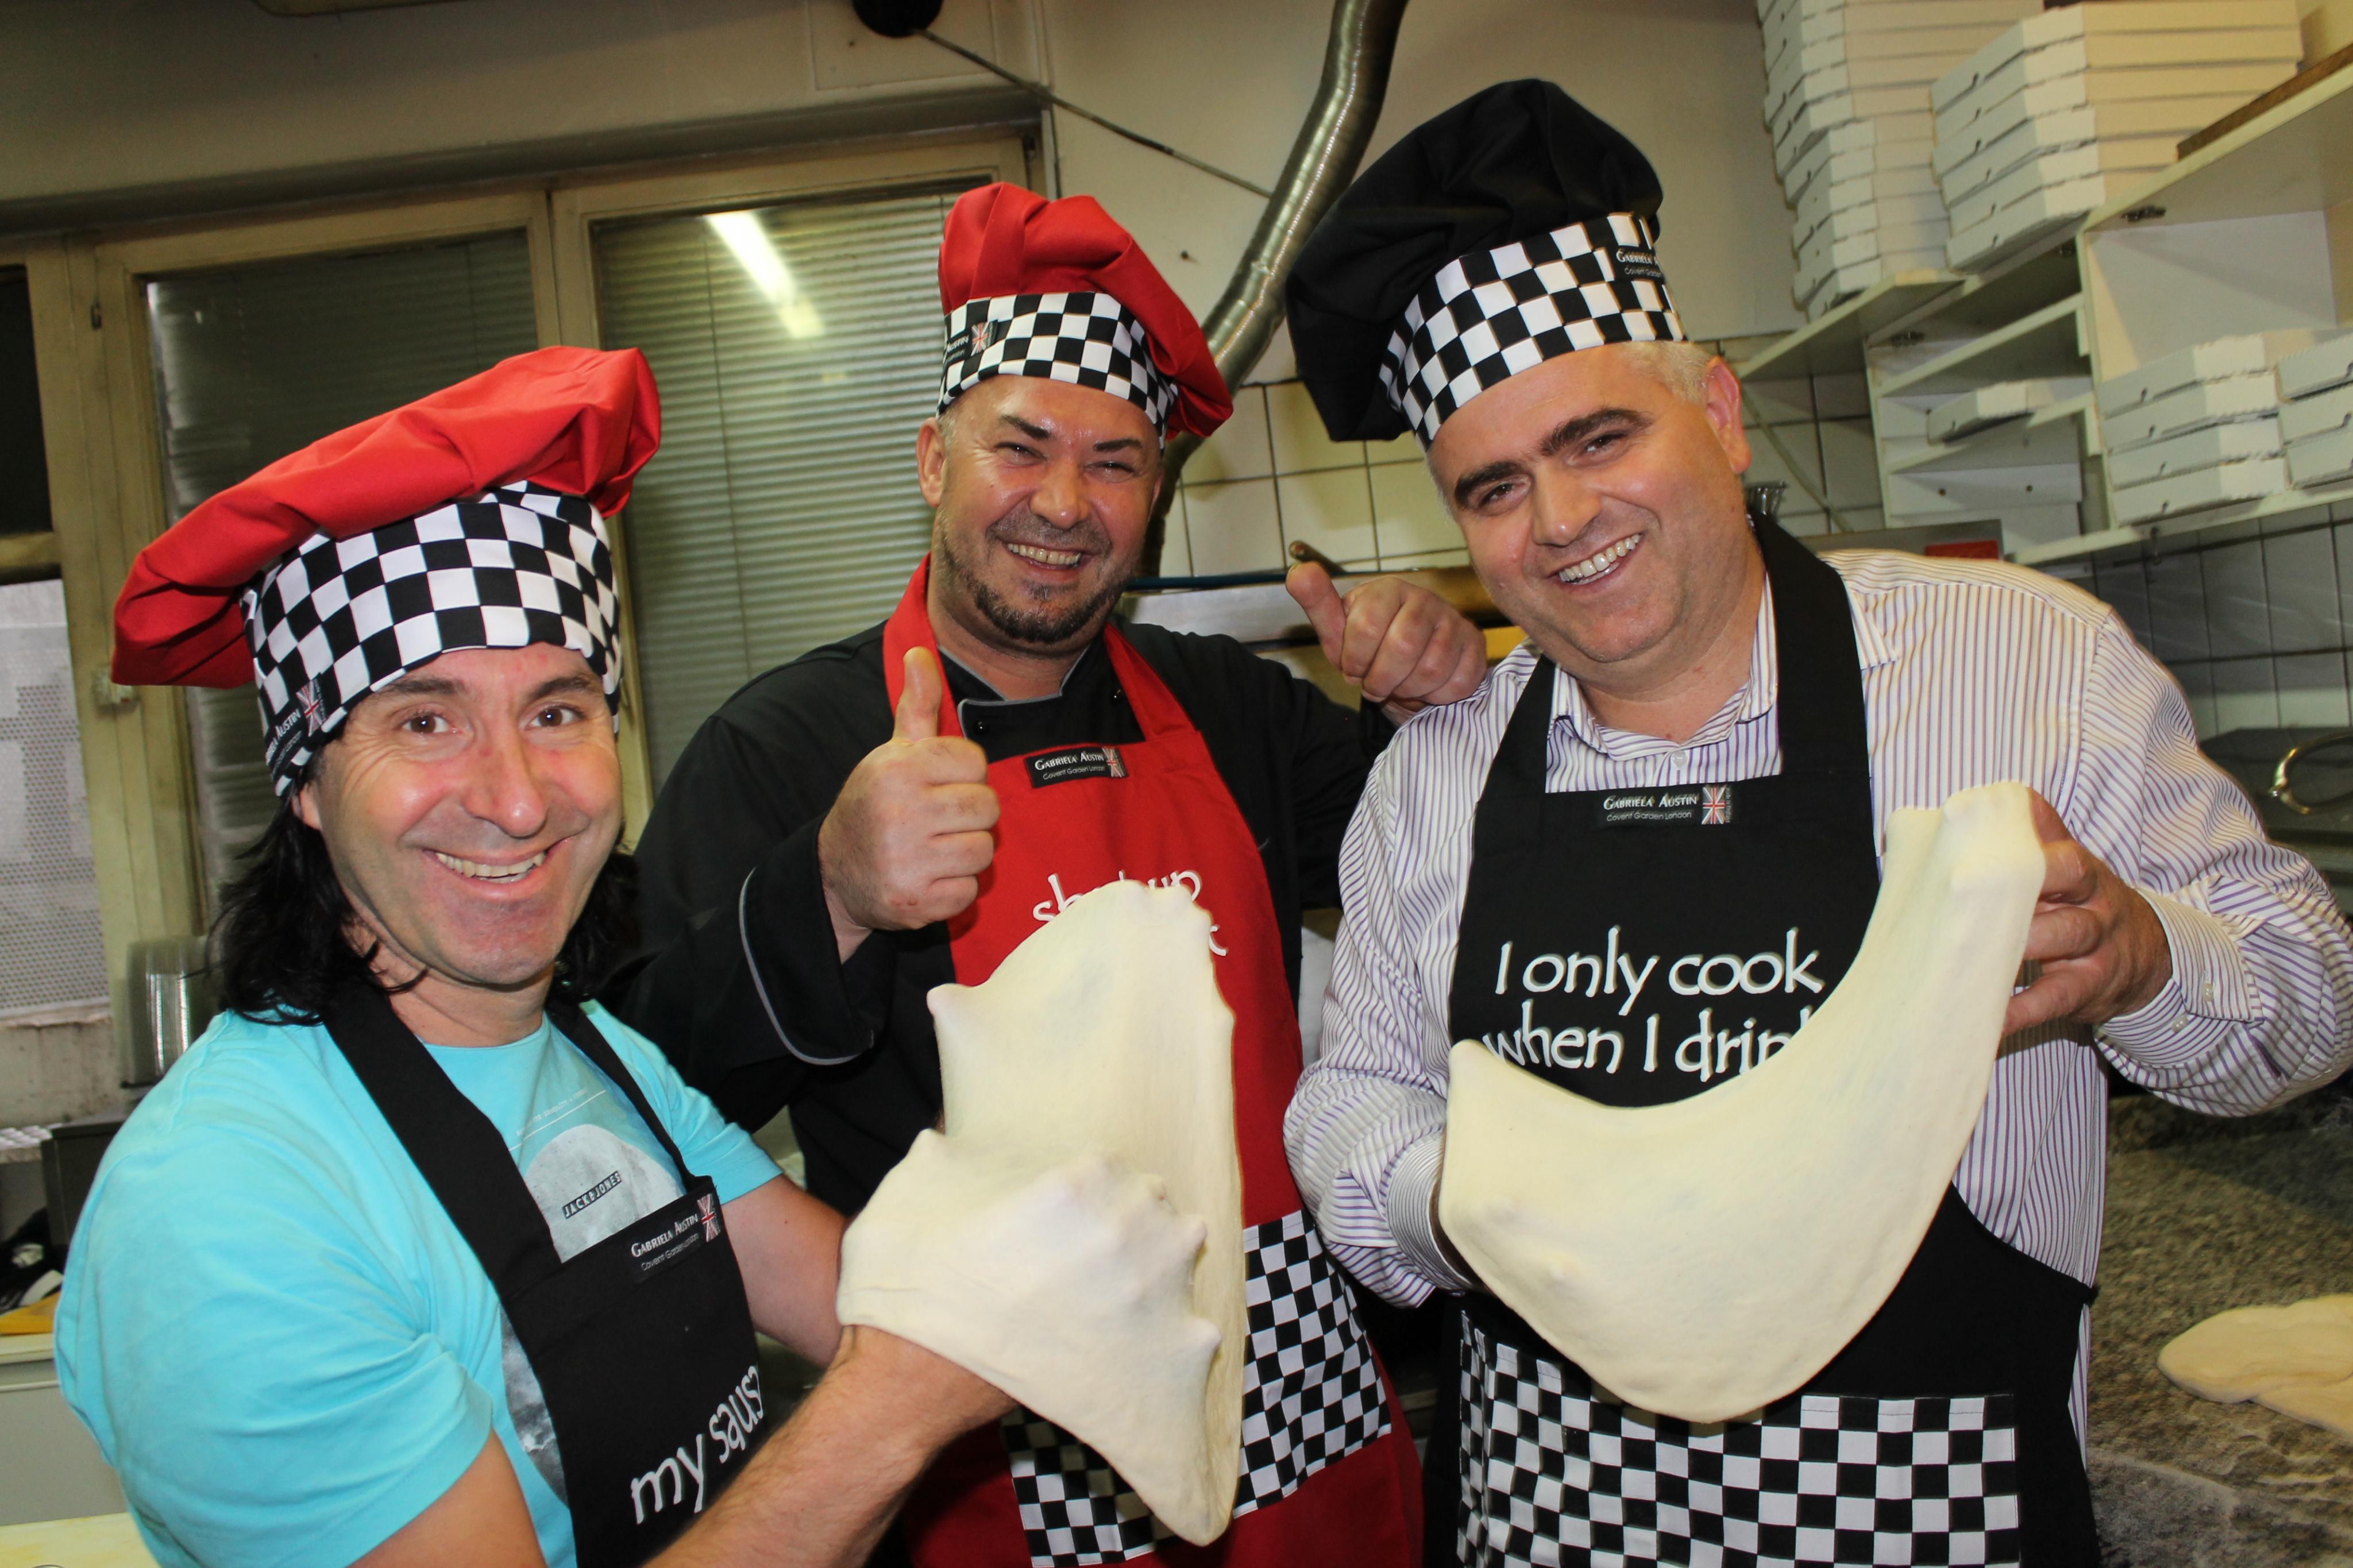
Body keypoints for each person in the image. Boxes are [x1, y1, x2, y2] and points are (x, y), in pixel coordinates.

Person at [1281, 79, 2353, 1568]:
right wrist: (1470, 1205)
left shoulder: (2023, 665)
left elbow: (2311, 996)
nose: (1562, 519)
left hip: (1930, 1518)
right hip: (1550, 1522)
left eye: (1599, 438)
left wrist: (2145, 961)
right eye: (1496, 487)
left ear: (1719, 415)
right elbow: (1352, 1103)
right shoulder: (1437, 773)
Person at [59, 347, 1198, 1568]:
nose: (515, 800)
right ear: (307, 786)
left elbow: (853, 1294)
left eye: (557, 712)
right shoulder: (228, 1213)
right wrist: (893, 1409)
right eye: (426, 722)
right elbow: (900, 1361)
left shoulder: (598, 1057)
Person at [606, 184, 1471, 1567]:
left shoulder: (1233, 709)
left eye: (1115, 463)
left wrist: (1436, 704)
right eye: (1019, 447)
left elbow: (1447, 878)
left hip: (1288, 1413)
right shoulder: (783, 746)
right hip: (989, 1436)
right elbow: (636, 1098)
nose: (1063, 505)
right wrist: (830, 891)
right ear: (931, 459)